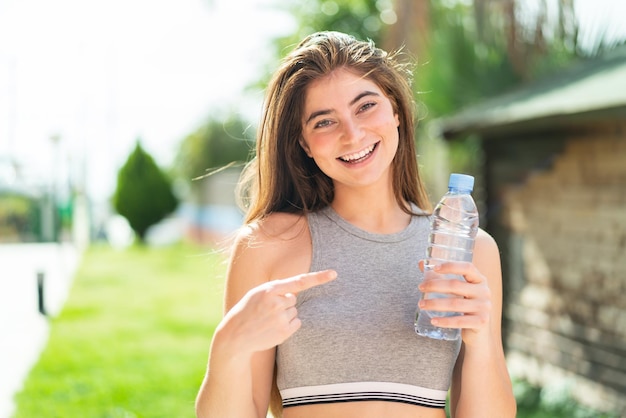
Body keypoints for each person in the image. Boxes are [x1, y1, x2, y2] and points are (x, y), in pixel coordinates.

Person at [195, 31, 516, 418]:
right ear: (304, 144)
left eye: (365, 106)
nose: (352, 134)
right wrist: (227, 347)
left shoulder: (471, 250)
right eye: (324, 121)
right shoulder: (269, 244)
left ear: (396, 110)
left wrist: (481, 340)